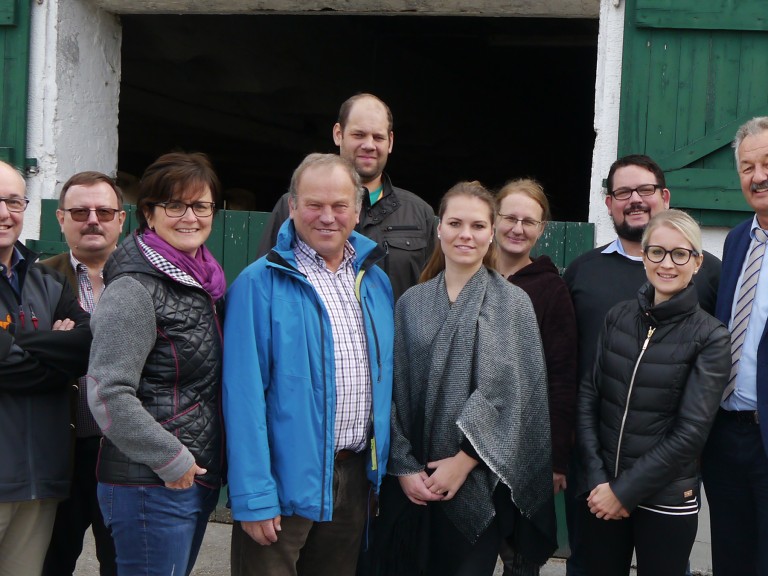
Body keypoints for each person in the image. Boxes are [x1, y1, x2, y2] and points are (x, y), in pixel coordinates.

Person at [223, 153, 394, 576]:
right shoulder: (258, 283)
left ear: (357, 210)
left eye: (340, 206)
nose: (327, 217)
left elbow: (385, 381)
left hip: (353, 478)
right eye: (315, 205)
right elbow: (243, 399)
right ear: (293, 206)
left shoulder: (374, 282)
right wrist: (254, 496)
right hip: (283, 485)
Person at [378, 181, 554, 576]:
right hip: (413, 478)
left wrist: (464, 461)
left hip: (478, 481)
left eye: (477, 226)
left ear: (491, 232)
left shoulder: (513, 303)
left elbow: (516, 395)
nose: (465, 235)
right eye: (455, 223)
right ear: (439, 228)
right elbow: (389, 389)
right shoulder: (411, 303)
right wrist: (404, 468)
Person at [562, 154, 720, 575]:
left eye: (645, 190)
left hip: (665, 484)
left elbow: (693, 425)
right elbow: (583, 384)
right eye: (623, 192)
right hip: (597, 471)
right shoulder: (586, 274)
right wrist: (595, 475)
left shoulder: (711, 287)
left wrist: (625, 490)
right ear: (609, 201)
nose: (668, 263)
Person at [86, 152, 226, 576]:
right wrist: (173, 459)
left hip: (187, 479)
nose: (190, 217)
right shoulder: (134, 287)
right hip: (150, 482)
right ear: (149, 213)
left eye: (200, 206)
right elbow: (107, 392)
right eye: (174, 205)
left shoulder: (201, 283)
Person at [0, 160, 92, 576]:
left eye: (14, 201)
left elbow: (87, 347)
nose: (5, 213)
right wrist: (57, 355)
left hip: (43, 481)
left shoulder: (47, 280)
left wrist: (17, 344)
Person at [258, 93, 436, 300]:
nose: (369, 145)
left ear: (390, 142)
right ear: (338, 134)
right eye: (359, 135)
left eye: (378, 137)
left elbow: (435, 296)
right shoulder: (296, 206)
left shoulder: (419, 214)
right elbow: (265, 282)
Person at [41, 172, 124, 576]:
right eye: (79, 211)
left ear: (120, 219)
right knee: (51, 561)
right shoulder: (36, 280)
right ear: (60, 219)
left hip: (125, 450)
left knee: (123, 563)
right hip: (60, 449)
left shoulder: (144, 280)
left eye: (104, 211)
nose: (93, 219)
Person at [494, 179, 577, 575]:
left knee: (521, 558)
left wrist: (557, 460)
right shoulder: (466, 274)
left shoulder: (550, 289)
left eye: (529, 221)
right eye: (510, 217)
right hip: (463, 448)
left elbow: (562, 377)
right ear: (494, 219)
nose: (517, 228)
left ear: (542, 228)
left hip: (526, 448)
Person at [703, 115, 768, 576]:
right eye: (747, 167)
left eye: (767, 163)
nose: (758, 176)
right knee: (730, 556)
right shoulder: (737, 240)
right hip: (726, 434)